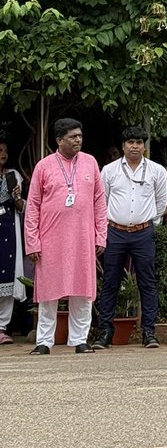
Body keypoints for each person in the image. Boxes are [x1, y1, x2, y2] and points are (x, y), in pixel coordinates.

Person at [23, 118, 107, 355]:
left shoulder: (90, 163)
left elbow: (100, 201)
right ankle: (44, 342)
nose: (78, 140)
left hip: (82, 238)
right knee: (49, 293)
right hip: (50, 240)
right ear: (59, 140)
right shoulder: (44, 166)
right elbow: (33, 206)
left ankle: (80, 340)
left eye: (80, 136)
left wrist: (100, 235)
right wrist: (32, 242)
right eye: (73, 136)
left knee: (82, 290)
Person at [92, 128, 167, 349]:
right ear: (123, 145)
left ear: (144, 146)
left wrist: (149, 224)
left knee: (147, 282)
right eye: (130, 142)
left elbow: (161, 202)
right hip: (114, 231)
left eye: (138, 142)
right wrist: (106, 226)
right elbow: (101, 201)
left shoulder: (157, 171)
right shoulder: (109, 170)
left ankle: (149, 332)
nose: (134, 146)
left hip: (143, 232)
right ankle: (105, 332)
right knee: (110, 282)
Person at [0, 139, 26, 345]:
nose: (3, 153)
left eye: (5, 151)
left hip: (8, 229)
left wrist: (16, 195)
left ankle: (1, 327)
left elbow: (20, 206)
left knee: (7, 274)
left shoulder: (12, 176)